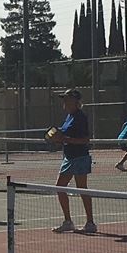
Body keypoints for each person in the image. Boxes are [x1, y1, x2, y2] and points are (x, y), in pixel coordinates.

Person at [51, 89, 98, 234]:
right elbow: (64, 135)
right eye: (63, 99)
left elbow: (85, 140)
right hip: (69, 157)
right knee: (60, 187)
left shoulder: (80, 117)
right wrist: (57, 137)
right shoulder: (69, 117)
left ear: (75, 101)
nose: (64, 101)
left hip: (80, 157)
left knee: (81, 189)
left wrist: (66, 139)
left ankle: (90, 223)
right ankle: (68, 222)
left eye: (66, 99)